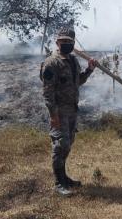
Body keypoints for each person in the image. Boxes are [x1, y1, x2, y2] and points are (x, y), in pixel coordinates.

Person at [40, 28, 97, 196]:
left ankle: (64, 177)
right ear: (57, 43)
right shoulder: (51, 63)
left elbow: (77, 81)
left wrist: (89, 69)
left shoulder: (73, 61)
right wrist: (53, 116)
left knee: (68, 143)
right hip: (59, 111)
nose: (66, 44)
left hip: (72, 109)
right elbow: (47, 93)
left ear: (73, 44)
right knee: (59, 145)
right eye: (63, 41)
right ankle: (59, 183)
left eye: (69, 42)